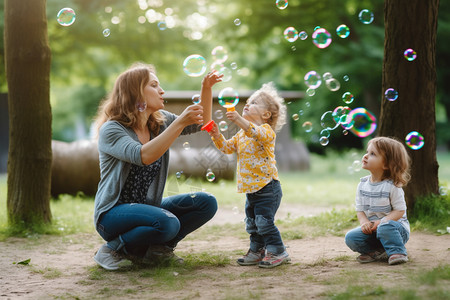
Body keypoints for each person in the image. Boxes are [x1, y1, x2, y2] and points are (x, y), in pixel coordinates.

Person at [93, 63, 222, 270]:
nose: (162, 91)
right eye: (154, 85)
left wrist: (206, 88)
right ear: (136, 93)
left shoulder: (160, 122)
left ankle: (157, 251)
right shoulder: (112, 130)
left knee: (206, 203)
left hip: (149, 208)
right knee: (168, 222)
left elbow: (204, 123)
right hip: (112, 213)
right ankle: (112, 248)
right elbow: (143, 156)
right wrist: (179, 123)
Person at [206, 82, 290, 268]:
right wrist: (216, 134)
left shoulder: (266, 131)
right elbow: (227, 148)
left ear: (266, 115)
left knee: (264, 222)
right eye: (248, 101)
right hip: (251, 190)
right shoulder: (240, 135)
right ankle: (257, 251)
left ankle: (278, 251)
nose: (247, 104)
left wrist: (238, 120)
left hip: (268, 187)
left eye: (253, 102)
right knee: (252, 224)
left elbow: (255, 132)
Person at [345, 137, 412, 265]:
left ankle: (397, 251)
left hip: (395, 229)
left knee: (385, 227)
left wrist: (381, 222)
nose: (365, 156)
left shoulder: (392, 186)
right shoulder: (363, 184)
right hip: (374, 230)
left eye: (372, 154)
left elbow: (399, 211)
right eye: (367, 152)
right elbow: (360, 209)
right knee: (351, 237)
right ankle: (376, 251)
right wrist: (364, 222)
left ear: (386, 164)